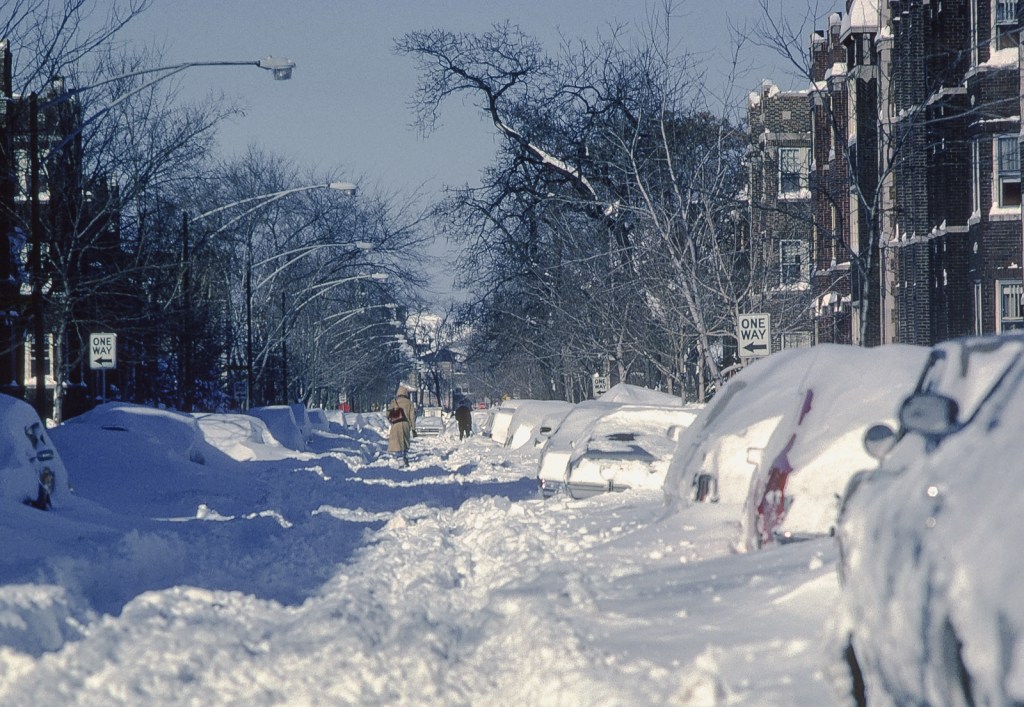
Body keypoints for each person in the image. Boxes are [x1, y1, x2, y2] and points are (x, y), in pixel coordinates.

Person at [386, 385, 416, 466]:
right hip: (406, 424)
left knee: (397, 442)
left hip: (396, 424)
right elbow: (412, 416)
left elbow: (387, 413)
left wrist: (391, 420)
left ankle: (399, 458)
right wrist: (413, 428)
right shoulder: (409, 403)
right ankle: (404, 456)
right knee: (405, 441)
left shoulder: (394, 401)